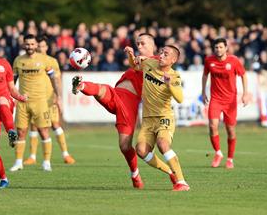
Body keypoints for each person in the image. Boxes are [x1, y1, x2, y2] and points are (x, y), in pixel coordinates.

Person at [72, 33, 177, 189]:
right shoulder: (141, 62)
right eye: (137, 44)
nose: (139, 46)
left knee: (124, 146)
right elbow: (136, 65)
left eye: (142, 43)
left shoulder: (157, 63)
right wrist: (130, 55)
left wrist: (141, 59)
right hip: (117, 95)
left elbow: (161, 69)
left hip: (129, 104)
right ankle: (82, 85)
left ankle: (137, 174)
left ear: (152, 45)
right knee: (102, 90)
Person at [130, 45, 190, 191]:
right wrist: (131, 56)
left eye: (166, 54)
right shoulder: (150, 63)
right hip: (147, 119)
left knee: (163, 144)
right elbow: (135, 66)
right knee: (141, 150)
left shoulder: (174, 76)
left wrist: (169, 85)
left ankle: (182, 182)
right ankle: (170, 172)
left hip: (164, 117)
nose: (161, 55)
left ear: (173, 59)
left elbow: (180, 98)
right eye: (161, 52)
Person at [9, 34, 62, 172]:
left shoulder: (44, 60)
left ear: (36, 45)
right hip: (23, 102)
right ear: (23, 45)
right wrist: (13, 96)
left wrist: (58, 95)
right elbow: (12, 82)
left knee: (44, 131)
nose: (30, 47)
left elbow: (53, 79)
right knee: (21, 132)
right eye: (27, 44)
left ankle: (46, 162)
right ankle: (18, 162)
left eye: (32, 44)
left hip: (40, 101)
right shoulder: (18, 61)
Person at [0, 33, 27, 188]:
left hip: (4, 103)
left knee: (1, 100)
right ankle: (4, 178)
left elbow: (12, 89)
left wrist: (20, 97)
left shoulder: (4, 64)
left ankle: (11, 132)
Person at [23, 36, 75, 166]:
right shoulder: (30, 61)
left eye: (42, 46)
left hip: (49, 98)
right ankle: (32, 156)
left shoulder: (52, 61)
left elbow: (57, 80)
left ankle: (66, 154)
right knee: (34, 125)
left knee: (55, 124)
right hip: (36, 99)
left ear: (46, 47)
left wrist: (59, 97)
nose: (40, 49)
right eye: (38, 46)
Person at [202, 38, 249, 169]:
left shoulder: (234, 61)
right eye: (216, 47)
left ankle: (230, 159)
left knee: (231, 131)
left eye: (221, 47)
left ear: (226, 48)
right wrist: (203, 92)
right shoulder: (209, 61)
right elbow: (205, 75)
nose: (218, 49)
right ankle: (218, 153)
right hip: (216, 99)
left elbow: (244, 75)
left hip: (230, 101)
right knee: (212, 126)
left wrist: (245, 94)